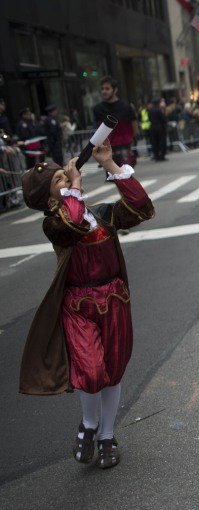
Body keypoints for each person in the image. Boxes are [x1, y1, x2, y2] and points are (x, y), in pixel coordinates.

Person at [19, 139, 155, 468]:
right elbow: (75, 222)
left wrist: (109, 165)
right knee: (92, 372)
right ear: (47, 198)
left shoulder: (103, 215)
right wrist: (76, 184)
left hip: (115, 299)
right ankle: (89, 424)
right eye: (58, 180)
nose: (66, 178)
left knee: (113, 372)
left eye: (64, 176)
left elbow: (142, 207)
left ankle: (107, 435)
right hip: (79, 305)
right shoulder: (54, 224)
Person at [93, 76, 139, 166]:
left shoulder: (127, 107)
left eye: (107, 88)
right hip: (107, 150)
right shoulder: (98, 109)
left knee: (125, 177)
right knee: (112, 178)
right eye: (102, 89)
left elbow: (135, 129)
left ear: (115, 90)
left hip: (124, 148)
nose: (104, 91)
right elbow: (98, 130)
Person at [147, 97, 168, 162]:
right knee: (162, 141)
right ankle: (162, 155)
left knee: (154, 142)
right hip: (159, 127)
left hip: (152, 127)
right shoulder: (159, 110)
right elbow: (163, 118)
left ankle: (156, 155)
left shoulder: (150, 110)